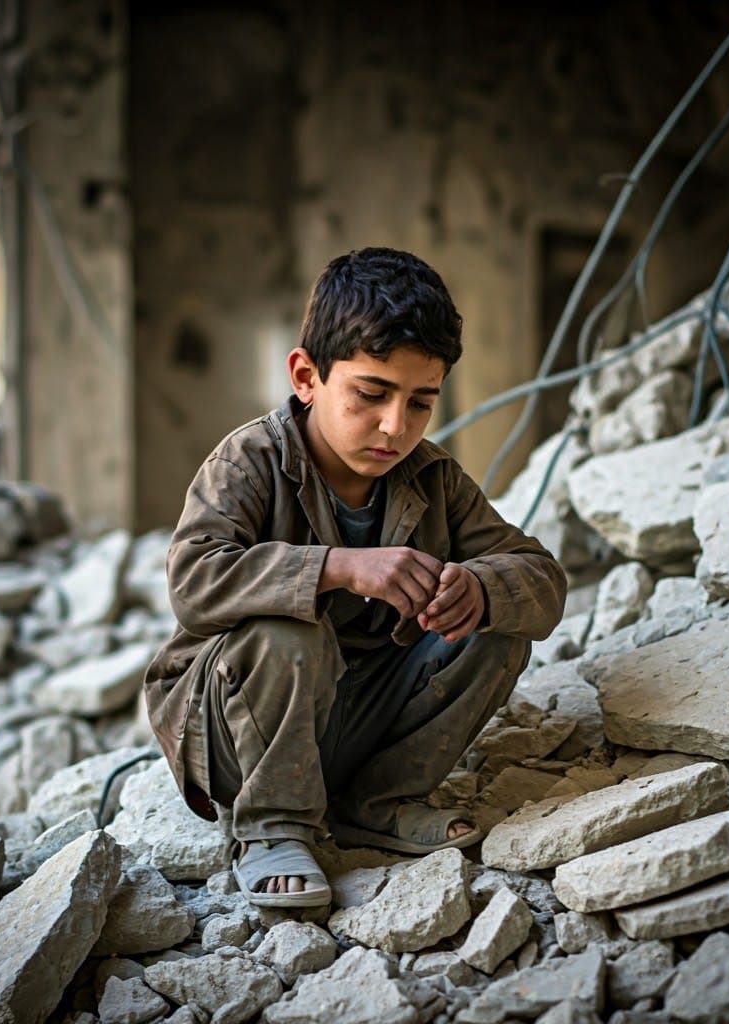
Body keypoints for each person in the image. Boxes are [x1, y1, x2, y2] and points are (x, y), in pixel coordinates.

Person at [144, 247, 567, 909]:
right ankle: (274, 827)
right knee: (293, 632)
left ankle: (380, 801)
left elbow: (541, 579)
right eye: (371, 394)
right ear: (307, 376)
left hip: (352, 725)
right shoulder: (251, 461)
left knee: (493, 627)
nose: (395, 426)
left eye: (420, 403)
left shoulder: (432, 479)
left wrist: (480, 590)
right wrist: (338, 569)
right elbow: (195, 580)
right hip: (239, 733)